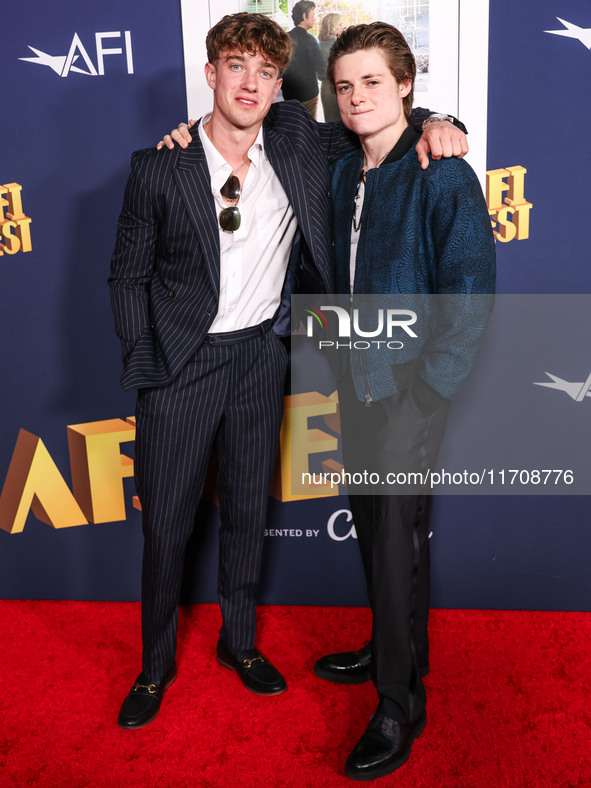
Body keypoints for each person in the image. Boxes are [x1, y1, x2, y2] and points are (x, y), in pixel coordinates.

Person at [111, 11, 468, 732]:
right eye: (236, 65)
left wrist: (440, 118)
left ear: (281, 85)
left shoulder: (298, 137)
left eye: (266, 71)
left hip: (258, 359)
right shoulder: (159, 164)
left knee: (247, 510)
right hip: (179, 368)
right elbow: (125, 276)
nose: (250, 82)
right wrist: (145, 362)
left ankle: (239, 644)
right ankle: (153, 667)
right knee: (167, 527)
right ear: (210, 72)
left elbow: (381, 116)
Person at [311, 23, 496, 781]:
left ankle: (398, 704)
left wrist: (430, 391)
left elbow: (471, 293)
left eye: (373, 84)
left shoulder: (439, 169)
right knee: (374, 530)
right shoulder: (339, 168)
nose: (356, 98)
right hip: (354, 377)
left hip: (410, 388)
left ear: (406, 86)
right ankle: (397, 647)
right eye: (344, 85)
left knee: (394, 539)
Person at [281, 1, 326, 118]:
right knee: (309, 130)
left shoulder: (284, 39)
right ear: (304, 16)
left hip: (289, 96)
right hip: (308, 96)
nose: (315, 19)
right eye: (313, 15)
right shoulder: (310, 40)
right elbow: (322, 69)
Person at [318, 13, 343, 122]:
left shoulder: (319, 45)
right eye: (340, 24)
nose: (342, 26)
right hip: (336, 87)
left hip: (325, 88)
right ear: (334, 27)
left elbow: (319, 74)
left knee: (330, 121)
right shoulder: (338, 46)